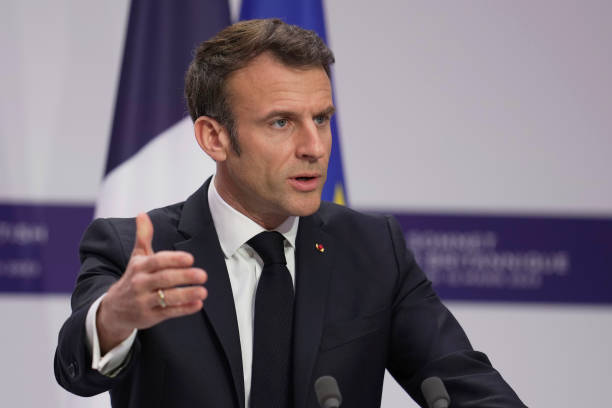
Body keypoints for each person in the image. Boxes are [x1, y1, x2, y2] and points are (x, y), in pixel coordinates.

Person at [55, 18, 525, 408]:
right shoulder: (138, 250)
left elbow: (466, 386)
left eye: (321, 118)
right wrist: (114, 316)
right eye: (281, 122)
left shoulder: (373, 250)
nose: (314, 147)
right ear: (214, 138)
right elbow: (75, 369)